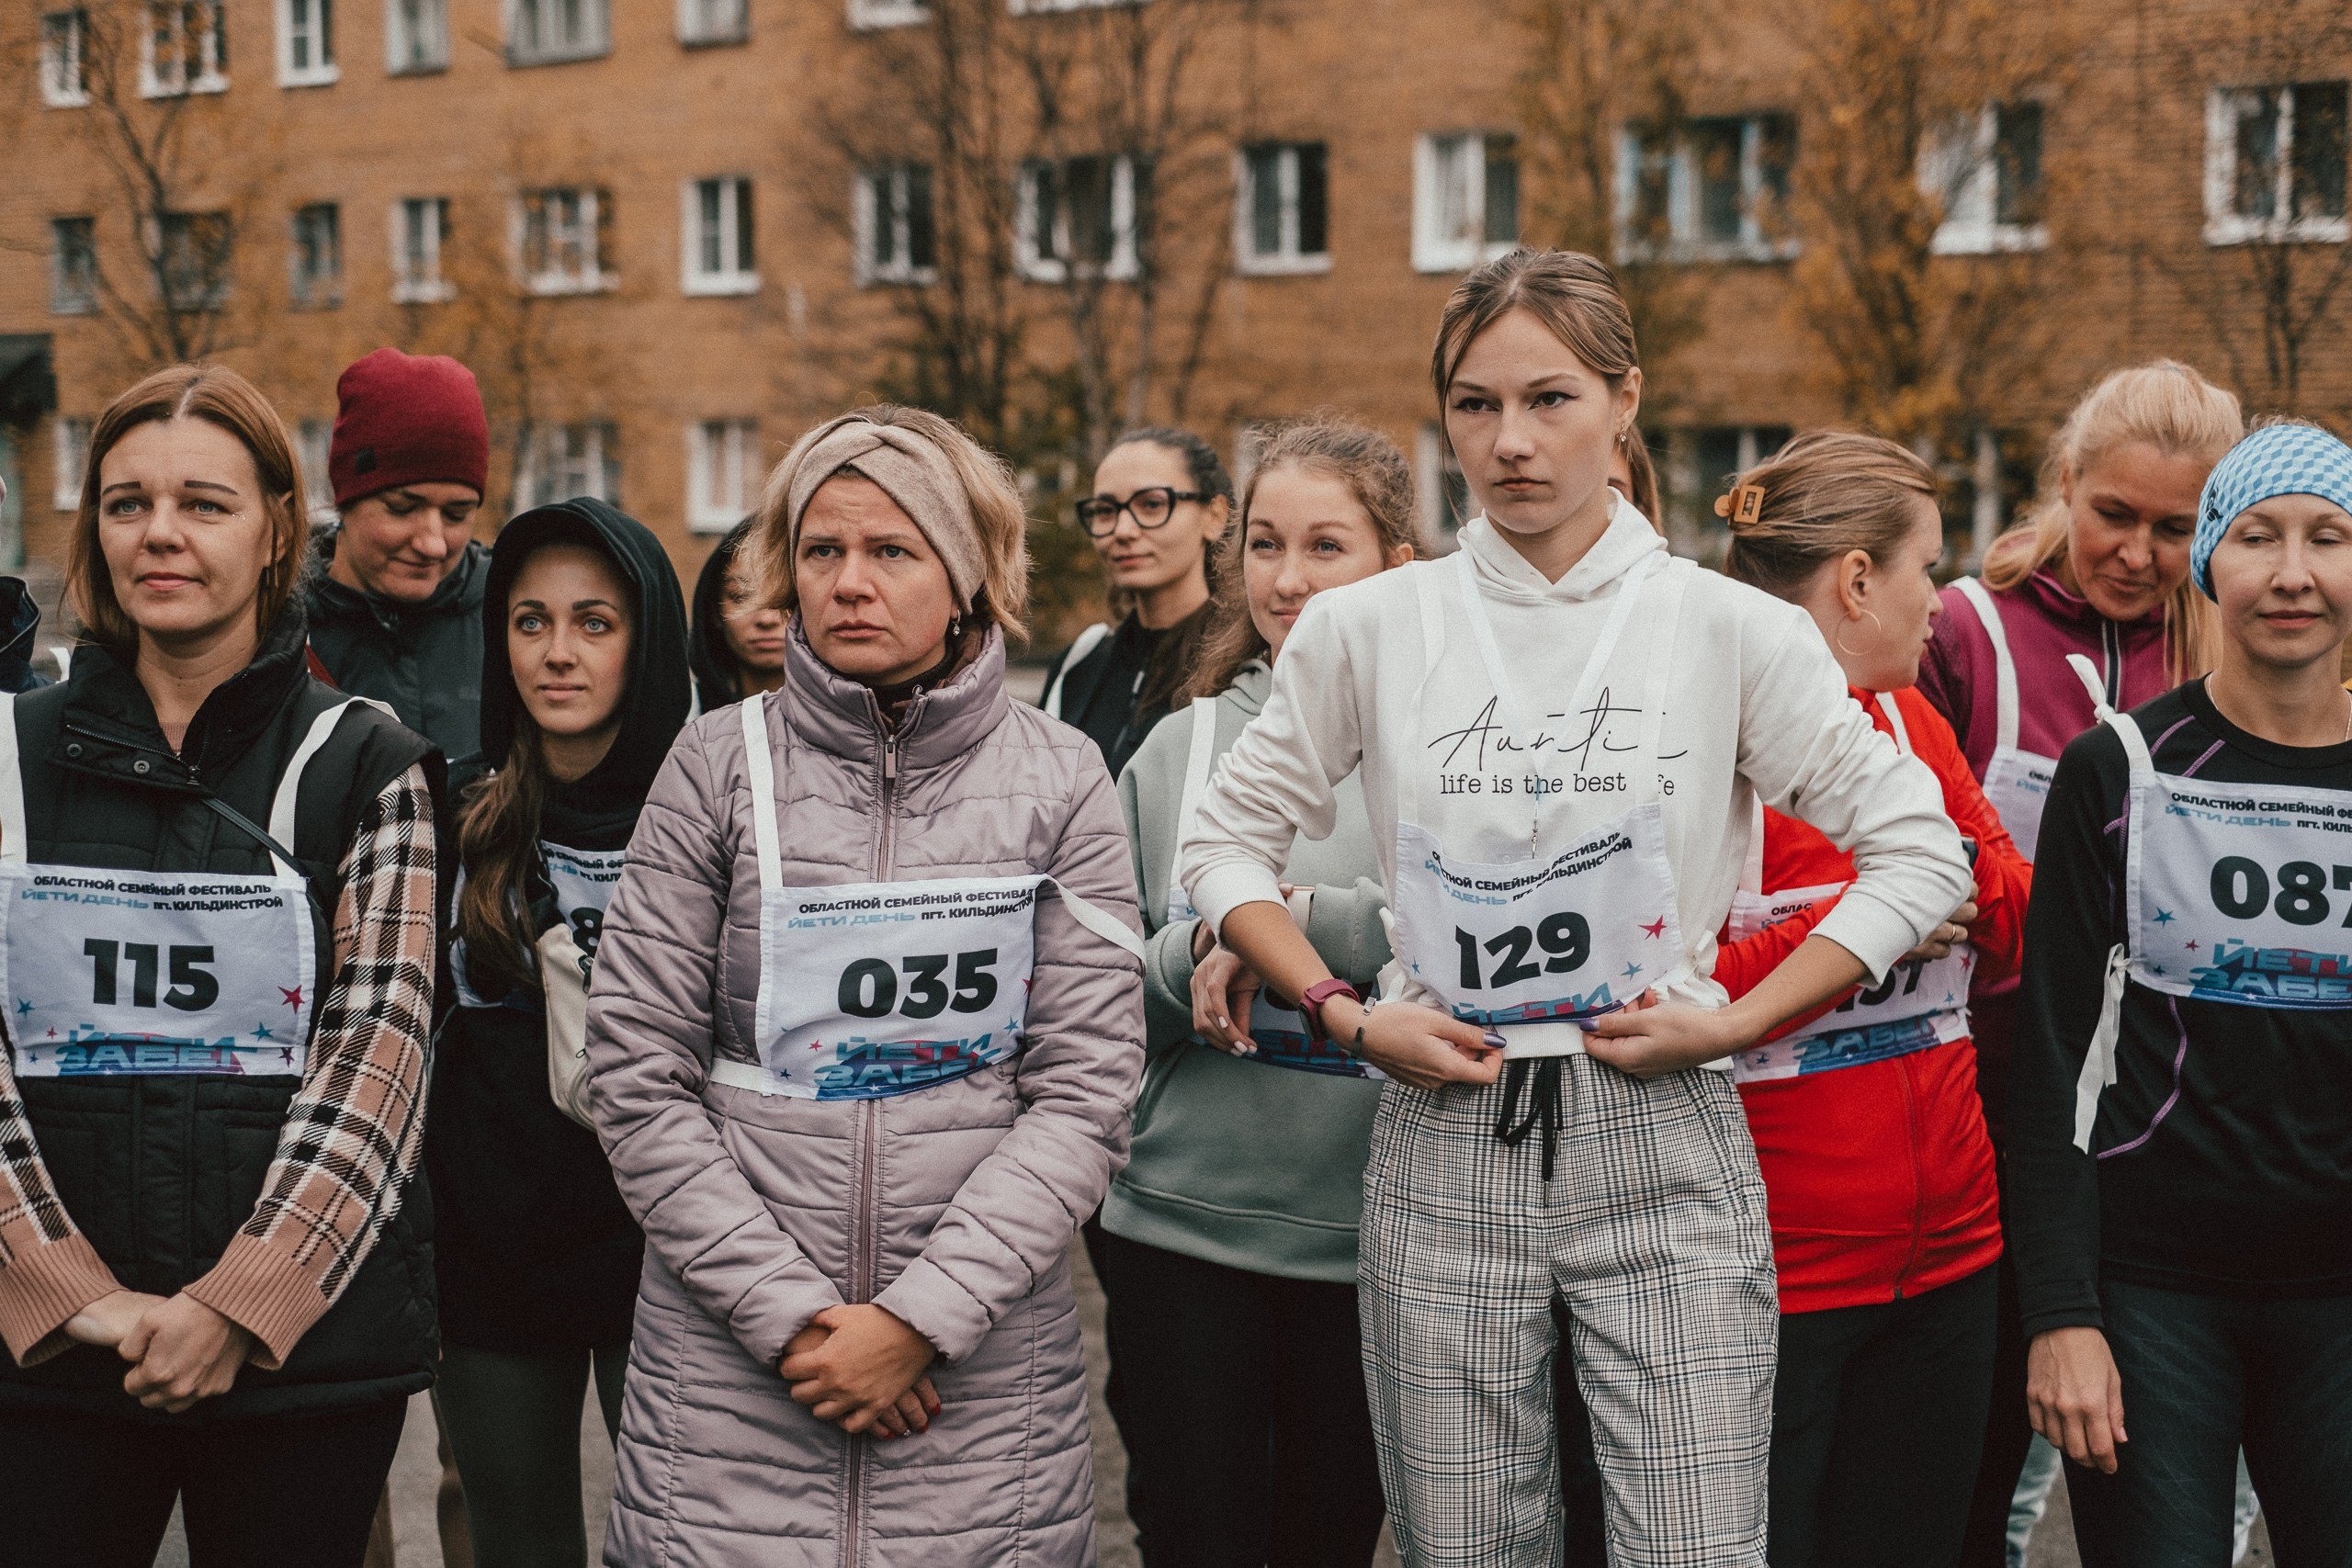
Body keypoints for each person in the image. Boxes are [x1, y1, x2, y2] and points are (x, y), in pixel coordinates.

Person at [1176, 249, 1973, 1567]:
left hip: (1662, 1120)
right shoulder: (1368, 627)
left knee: (1697, 1539)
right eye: (1475, 405)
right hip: (1445, 1115)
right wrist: (1344, 1009)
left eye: (1550, 400)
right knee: (1468, 1539)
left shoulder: (1729, 629)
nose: (1511, 442)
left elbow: (1921, 852)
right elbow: (1222, 842)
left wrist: (1736, 1023)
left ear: (1625, 401)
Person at [582, 407, 1146, 1565]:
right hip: (731, 1382)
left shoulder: (1061, 777)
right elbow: (635, 1076)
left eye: (892, 551)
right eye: (821, 550)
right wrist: (797, 1324)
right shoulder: (713, 767)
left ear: (970, 574)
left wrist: (917, 1324)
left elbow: (1087, 1090)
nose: (849, 582)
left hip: (978, 1383)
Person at [0, 365, 440, 1567]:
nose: (161, 533)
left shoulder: (370, 764)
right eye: (128, 500)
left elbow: (378, 1059)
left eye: (204, 501)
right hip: (41, 1362)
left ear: (276, 528)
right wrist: (59, 1285)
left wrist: (238, 1303)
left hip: (300, 1363)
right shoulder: (3, 755)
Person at [1913, 360, 2242, 1563]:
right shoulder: (1964, 629)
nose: (2139, 553)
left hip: (2163, 1119)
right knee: (1985, 1461)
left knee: (2149, 1462)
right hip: (1993, 1101)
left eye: (2175, 527)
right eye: (2115, 514)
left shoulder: (2226, 656)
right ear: (2064, 486)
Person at [2008, 420, 2352, 1568]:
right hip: (2154, 1291)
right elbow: (2052, 1052)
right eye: (2258, 537)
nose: (2293, 573)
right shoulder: (2119, 768)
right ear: (2210, 563)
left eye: (2328, 539)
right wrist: (2061, 1313)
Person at [1707, 433, 2032, 1568]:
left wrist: (1953, 877)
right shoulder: (1703, 751)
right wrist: (1868, 914)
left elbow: (2017, 921)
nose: (1942, 602)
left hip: (1952, 1250)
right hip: (1772, 1272)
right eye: (1928, 568)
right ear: (1856, 580)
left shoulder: (1911, 725)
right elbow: (1670, 997)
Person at [1108, 419, 1416, 1568]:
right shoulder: (1181, 748)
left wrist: (1282, 925)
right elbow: (1098, 998)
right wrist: (1200, 943)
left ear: (1397, 562)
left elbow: (1485, 949)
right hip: (1184, 1235)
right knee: (1194, 1542)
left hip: (1375, 1241)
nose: (1288, 580)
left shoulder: (1456, 744)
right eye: (1266, 544)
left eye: (1326, 546)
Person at [428, 499, 688, 1567]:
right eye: (529, 622)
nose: (557, 653)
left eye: (594, 621)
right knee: (517, 1542)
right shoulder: (449, 812)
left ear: (650, 638)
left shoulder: (715, 818)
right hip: (494, 1261)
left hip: (676, 1254)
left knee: (686, 1541)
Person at [305, 346, 493, 766]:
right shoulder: (275, 630)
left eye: (457, 514)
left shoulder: (512, 618)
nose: (433, 544)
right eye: (402, 509)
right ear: (345, 501)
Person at [1039, 427, 1231, 779]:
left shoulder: (1240, 671)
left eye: (1152, 504)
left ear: (1214, 515)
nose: (1123, 530)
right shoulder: (1080, 664)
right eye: (1105, 510)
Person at [687, 516, 786, 712]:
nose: (766, 619)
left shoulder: (852, 719)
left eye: (785, 598)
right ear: (715, 611)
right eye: (741, 597)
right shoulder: (682, 717)